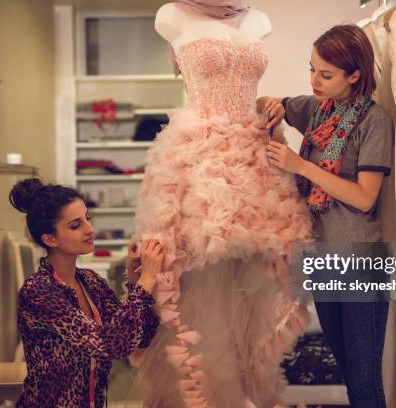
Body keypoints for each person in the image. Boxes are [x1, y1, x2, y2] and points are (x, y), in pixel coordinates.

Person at [132, 1, 312, 406]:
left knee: (254, 285)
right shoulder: (172, 15)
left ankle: (243, 394)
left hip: (253, 157)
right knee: (195, 283)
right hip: (198, 158)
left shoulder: (258, 18)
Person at [257, 24, 393, 408]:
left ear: (355, 76)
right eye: (311, 69)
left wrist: (301, 167)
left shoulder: (374, 121)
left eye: (326, 74)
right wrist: (274, 106)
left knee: (365, 380)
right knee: (350, 374)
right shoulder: (318, 109)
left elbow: (365, 198)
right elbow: (272, 101)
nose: (314, 80)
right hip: (322, 258)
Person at [9, 178, 161, 407]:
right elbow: (112, 346)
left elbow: (141, 337)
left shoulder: (90, 281)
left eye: (87, 218)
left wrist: (135, 279)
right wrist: (147, 280)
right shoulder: (39, 292)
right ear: (50, 239)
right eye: (75, 225)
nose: (89, 229)